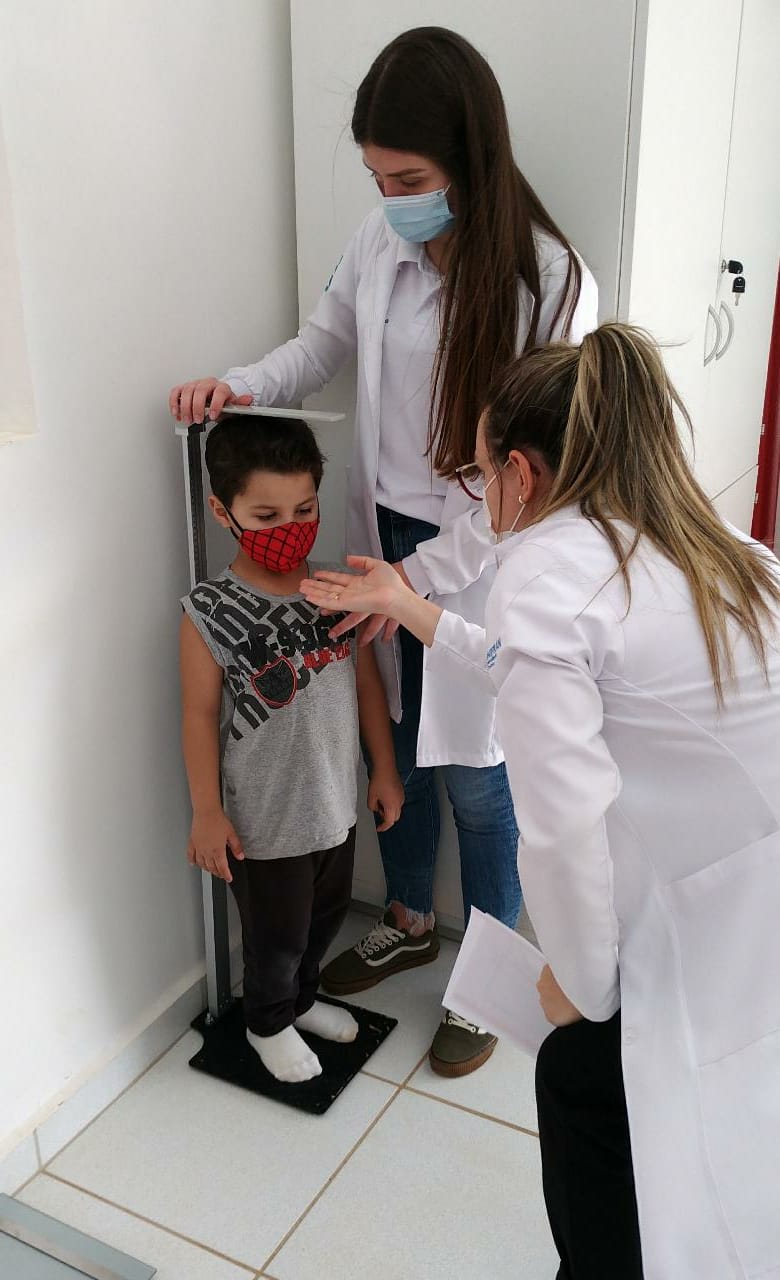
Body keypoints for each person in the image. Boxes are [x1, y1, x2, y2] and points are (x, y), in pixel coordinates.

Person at [300, 323, 780, 1279]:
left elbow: (557, 832)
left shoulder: (547, 566)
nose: (484, 502)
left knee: (585, 1087)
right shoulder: (712, 545)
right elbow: (531, 670)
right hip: (745, 889)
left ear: (519, 474)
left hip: (716, 915)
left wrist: (577, 981)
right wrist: (409, 607)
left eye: (479, 479)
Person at [169, 26, 598, 1077]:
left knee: (480, 775)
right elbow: (321, 344)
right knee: (392, 745)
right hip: (381, 536)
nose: (391, 196)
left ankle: (491, 975)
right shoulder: (379, 241)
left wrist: (420, 577)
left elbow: (536, 466)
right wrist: (243, 384)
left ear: (473, 162)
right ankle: (407, 913)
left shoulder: (551, 280)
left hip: (482, 549)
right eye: (376, 175)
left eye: (407, 177)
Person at [179, 414, 403, 1084]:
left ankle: (299, 1002)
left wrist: (384, 768)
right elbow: (197, 713)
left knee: (325, 918)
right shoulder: (209, 612)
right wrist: (206, 812)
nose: (290, 527)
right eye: (267, 513)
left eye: (304, 509)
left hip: (335, 802)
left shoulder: (337, 593)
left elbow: (365, 684)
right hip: (266, 819)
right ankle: (265, 1021)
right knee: (275, 937)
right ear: (225, 511)